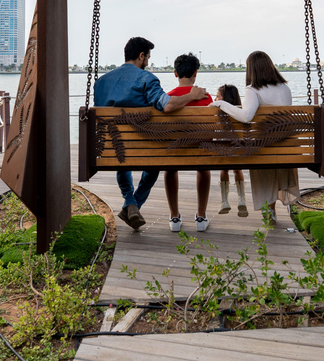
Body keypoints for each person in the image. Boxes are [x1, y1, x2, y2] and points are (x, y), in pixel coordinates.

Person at [94, 37, 208, 230]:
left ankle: (130, 203)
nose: (148, 62)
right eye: (148, 57)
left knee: (121, 154)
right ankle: (133, 204)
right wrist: (192, 96)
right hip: (146, 148)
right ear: (141, 56)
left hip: (110, 147)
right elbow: (168, 105)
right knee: (154, 165)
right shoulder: (147, 79)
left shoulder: (101, 82)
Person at [209, 51, 300, 224]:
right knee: (267, 151)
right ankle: (272, 210)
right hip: (287, 145)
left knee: (259, 153)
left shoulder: (253, 90)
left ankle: (269, 210)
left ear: (251, 69)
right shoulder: (285, 88)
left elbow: (246, 117)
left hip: (264, 147)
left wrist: (221, 104)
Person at [164, 53, 213, 232]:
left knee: (170, 168)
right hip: (200, 151)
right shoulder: (206, 97)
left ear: (175, 73)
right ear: (196, 73)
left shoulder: (168, 98)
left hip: (174, 152)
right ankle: (201, 216)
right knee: (203, 167)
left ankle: (174, 217)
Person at [214, 84, 248, 217]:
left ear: (224, 99)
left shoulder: (217, 111)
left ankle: (225, 201)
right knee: (237, 169)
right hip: (240, 148)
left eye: (217, 96)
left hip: (223, 148)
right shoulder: (241, 112)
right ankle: (242, 200)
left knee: (224, 168)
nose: (215, 98)